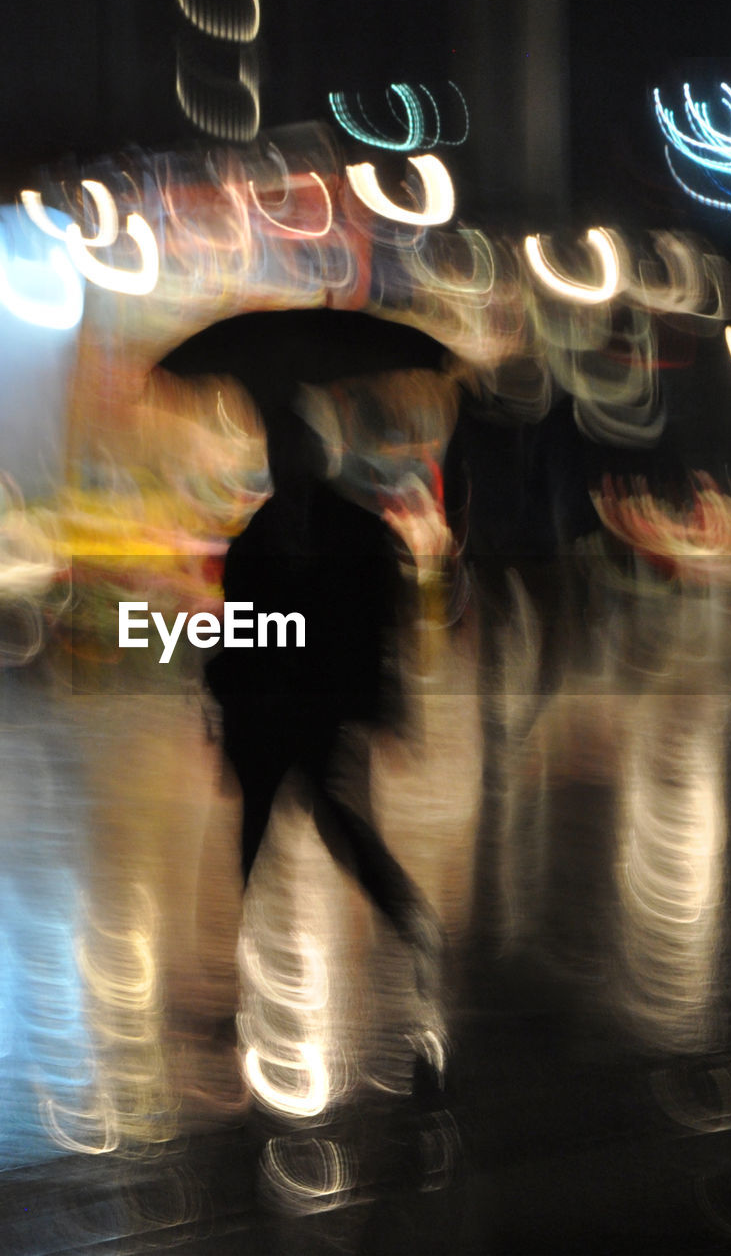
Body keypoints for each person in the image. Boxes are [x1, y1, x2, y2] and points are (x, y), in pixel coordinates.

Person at [204, 395, 445, 1024]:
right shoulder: (256, 540)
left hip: (324, 712)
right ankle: (248, 970)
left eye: (290, 452)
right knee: (264, 830)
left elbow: (387, 631)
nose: (283, 465)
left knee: (346, 834)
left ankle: (412, 923)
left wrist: (391, 707)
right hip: (270, 710)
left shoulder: (358, 535)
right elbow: (242, 629)